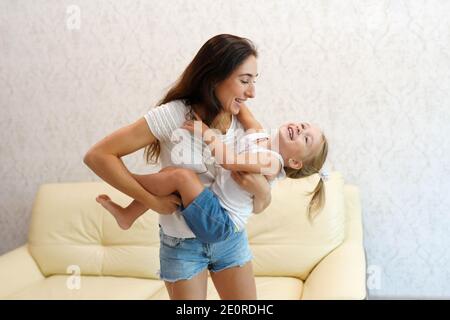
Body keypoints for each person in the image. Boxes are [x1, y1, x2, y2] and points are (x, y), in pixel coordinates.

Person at [84, 34, 271, 299]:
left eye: (254, 81)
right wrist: (153, 201)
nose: (252, 92)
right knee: (176, 177)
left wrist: (264, 193)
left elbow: (258, 204)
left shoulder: (242, 119)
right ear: (215, 77)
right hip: (183, 245)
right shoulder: (174, 115)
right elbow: (98, 156)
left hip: (231, 239)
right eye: (244, 81)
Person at [96, 105, 328, 243]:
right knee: (170, 174)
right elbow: (243, 109)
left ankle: (121, 175)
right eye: (303, 125)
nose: (300, 129)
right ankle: (128, 215)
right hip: (214, 209)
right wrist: (233, 89)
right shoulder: (260, 136)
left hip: (222, 223)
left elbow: (229, 161)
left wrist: (207, 133)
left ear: (295, 162)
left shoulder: (272, 162)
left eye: (306, 138)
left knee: (181, 177)